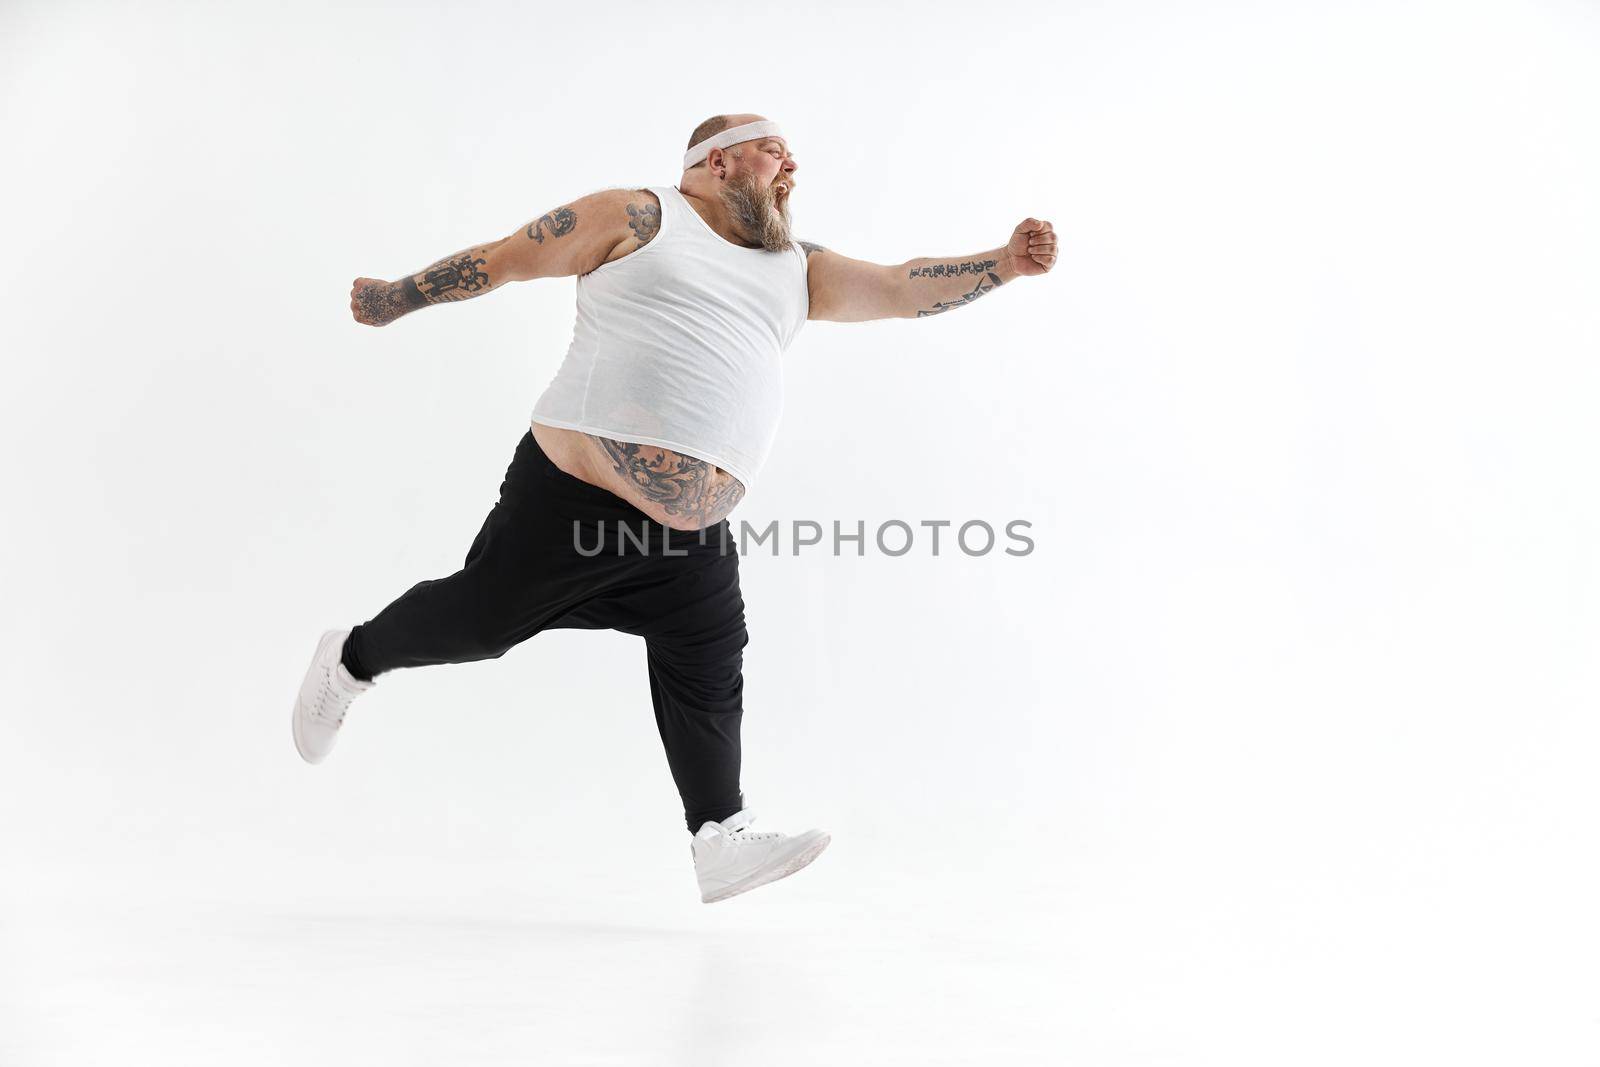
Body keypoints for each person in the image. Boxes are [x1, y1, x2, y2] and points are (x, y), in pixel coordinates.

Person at [293, 113, 1057, 903]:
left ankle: (719, 833)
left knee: (710, 643)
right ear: (717, 161)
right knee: (482, 623)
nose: (790, 163)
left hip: (688, 536)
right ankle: (350, 659)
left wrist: (1002, 263)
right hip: (571, 502)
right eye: (773, 150)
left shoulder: (797, 269)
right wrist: (394, 298)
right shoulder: (638, 217)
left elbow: (901, 287)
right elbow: (505, 261)